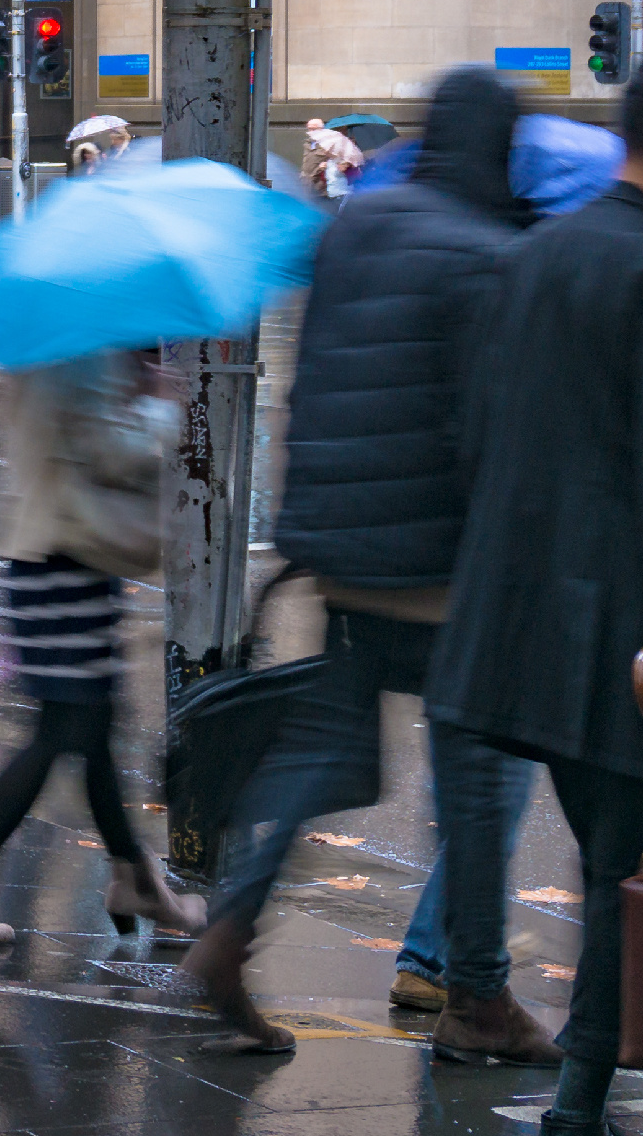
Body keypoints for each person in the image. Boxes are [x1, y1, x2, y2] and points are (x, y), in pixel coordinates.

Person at [183, 66, 556, 1061]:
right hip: (441, 570)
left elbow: (314, 382)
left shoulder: (358, 229)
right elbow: (489, 431)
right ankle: (477, 997)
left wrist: (303, 534)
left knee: (319, 753)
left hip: (343, 553)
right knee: (478, 775)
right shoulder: (486, 252)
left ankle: (230, 930)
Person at [427, 46, 643, 1136]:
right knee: (626, 866)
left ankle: (579, 1087)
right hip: (623, 647)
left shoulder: (531, 259)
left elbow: (477, 436)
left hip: (513, 621)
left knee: (612, 849)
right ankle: (578, 1099)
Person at [0, 349, 206, 947]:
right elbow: (106, 447)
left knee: (93, 723)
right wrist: (157, 408)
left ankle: (135, 879)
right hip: (64, 554)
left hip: (55, 548)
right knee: (65, 727)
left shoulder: (56, 334)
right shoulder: (86, 343)